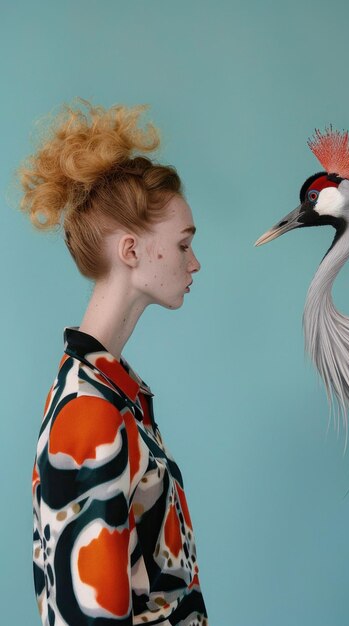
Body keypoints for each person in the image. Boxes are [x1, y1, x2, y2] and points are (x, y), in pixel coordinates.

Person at [18, 98, 208, 625]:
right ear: (131, 251)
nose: (195, 262)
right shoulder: (90, 411)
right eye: (184, 244)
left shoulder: (114, 393)